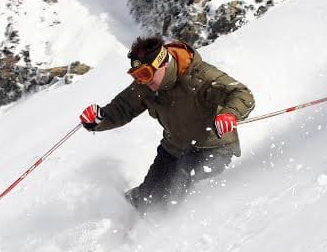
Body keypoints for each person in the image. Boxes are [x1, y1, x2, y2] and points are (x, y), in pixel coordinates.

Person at [79, 36, 255, 212]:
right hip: (174, 148)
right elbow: (123, 108)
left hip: (213, 148)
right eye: (137, 75)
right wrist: (100, 119)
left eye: (145, 74)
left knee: (175, 187)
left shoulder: (200, 77)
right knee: (147, 194)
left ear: (163, 63)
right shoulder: (146, 84)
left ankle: (162, 232)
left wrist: (229, 114)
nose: (143, 80)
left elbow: (241, 94)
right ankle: (119, 217)